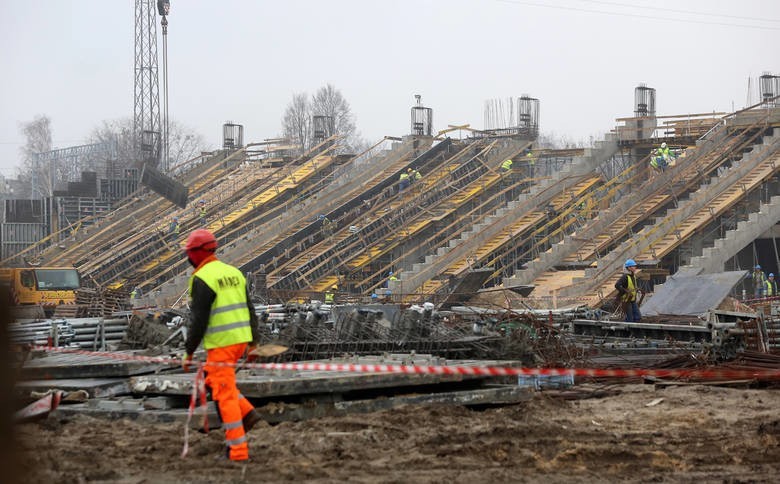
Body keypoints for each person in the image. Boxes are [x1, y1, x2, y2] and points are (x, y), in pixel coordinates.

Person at [181, 229, 262, 462]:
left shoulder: (203, 277)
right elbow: (250, 309)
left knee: (224, 395)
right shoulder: (233, 272)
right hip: (239, 340)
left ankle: (237, 452)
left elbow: (198, 320)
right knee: (215, 382)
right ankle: (247, 413)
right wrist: (253, 342)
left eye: (188, 253)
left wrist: (189, 351)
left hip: (222, 345)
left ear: (196, 253)